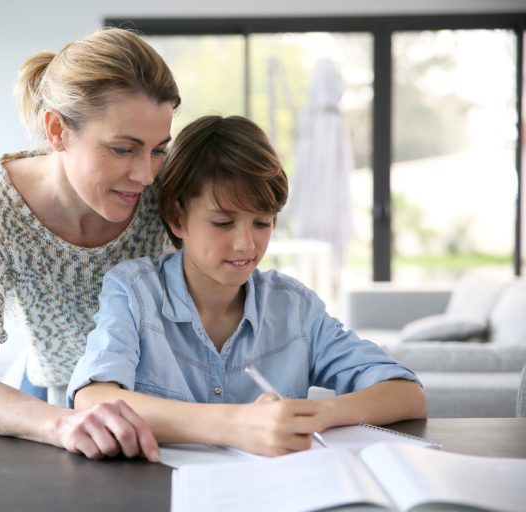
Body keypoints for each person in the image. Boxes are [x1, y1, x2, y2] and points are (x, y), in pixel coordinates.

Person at [67, 115, 427, 456]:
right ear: (177, 218)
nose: (246, 244)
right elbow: (92, 399)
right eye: (223, 223)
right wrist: (233, 424)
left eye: (262, 223)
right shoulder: (134, 291)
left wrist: (321, 413)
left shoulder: (295, 308)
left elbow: (407, 394)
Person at [0, 27, 180, 461]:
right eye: (123, 149)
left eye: (158, 149)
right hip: (51, 400)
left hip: (158, 401)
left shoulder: (167, 187)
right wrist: (62, 423)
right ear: (56, 130)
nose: (146, 174)